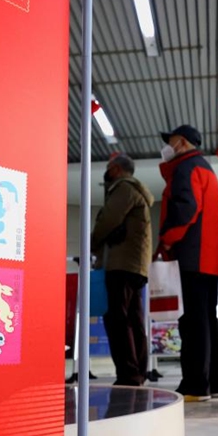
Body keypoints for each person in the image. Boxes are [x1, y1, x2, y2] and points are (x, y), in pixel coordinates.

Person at [157, 125, 218, 402]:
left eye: (170, 141)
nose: (167, 147)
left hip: (191, 256)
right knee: (208, 319)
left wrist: (168, 239)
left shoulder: (186, 168)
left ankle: (196, 385)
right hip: (208, 257)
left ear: (182, 142)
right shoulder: (206, 168)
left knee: (193, 322)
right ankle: (216, 382)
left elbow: (186, 208)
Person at [91, 154, 154, 386]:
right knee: (133, 319)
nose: (106, 172)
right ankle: (138, 371)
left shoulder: (123, 189)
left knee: (118, 319)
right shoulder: (136, 191)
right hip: (135, 264)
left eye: (108, 168)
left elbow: (108, 220)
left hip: (121, 263)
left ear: (116, 169)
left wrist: (92, 242)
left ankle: (129, 373)